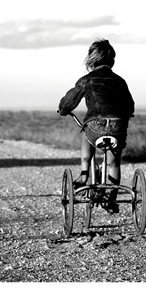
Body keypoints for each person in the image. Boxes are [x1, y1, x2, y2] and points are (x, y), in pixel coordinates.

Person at [57, 39, 135, 213]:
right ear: (112, 60)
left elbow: (69, 102)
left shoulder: (86, 80)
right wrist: (125, 115)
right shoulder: (120, 81)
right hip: (117, 125)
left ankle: (85, 174)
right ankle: (111, 200)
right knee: (113, 162)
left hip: (96, 126)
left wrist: (63, 109)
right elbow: (130, 106)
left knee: (87, 132)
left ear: (91, 59)